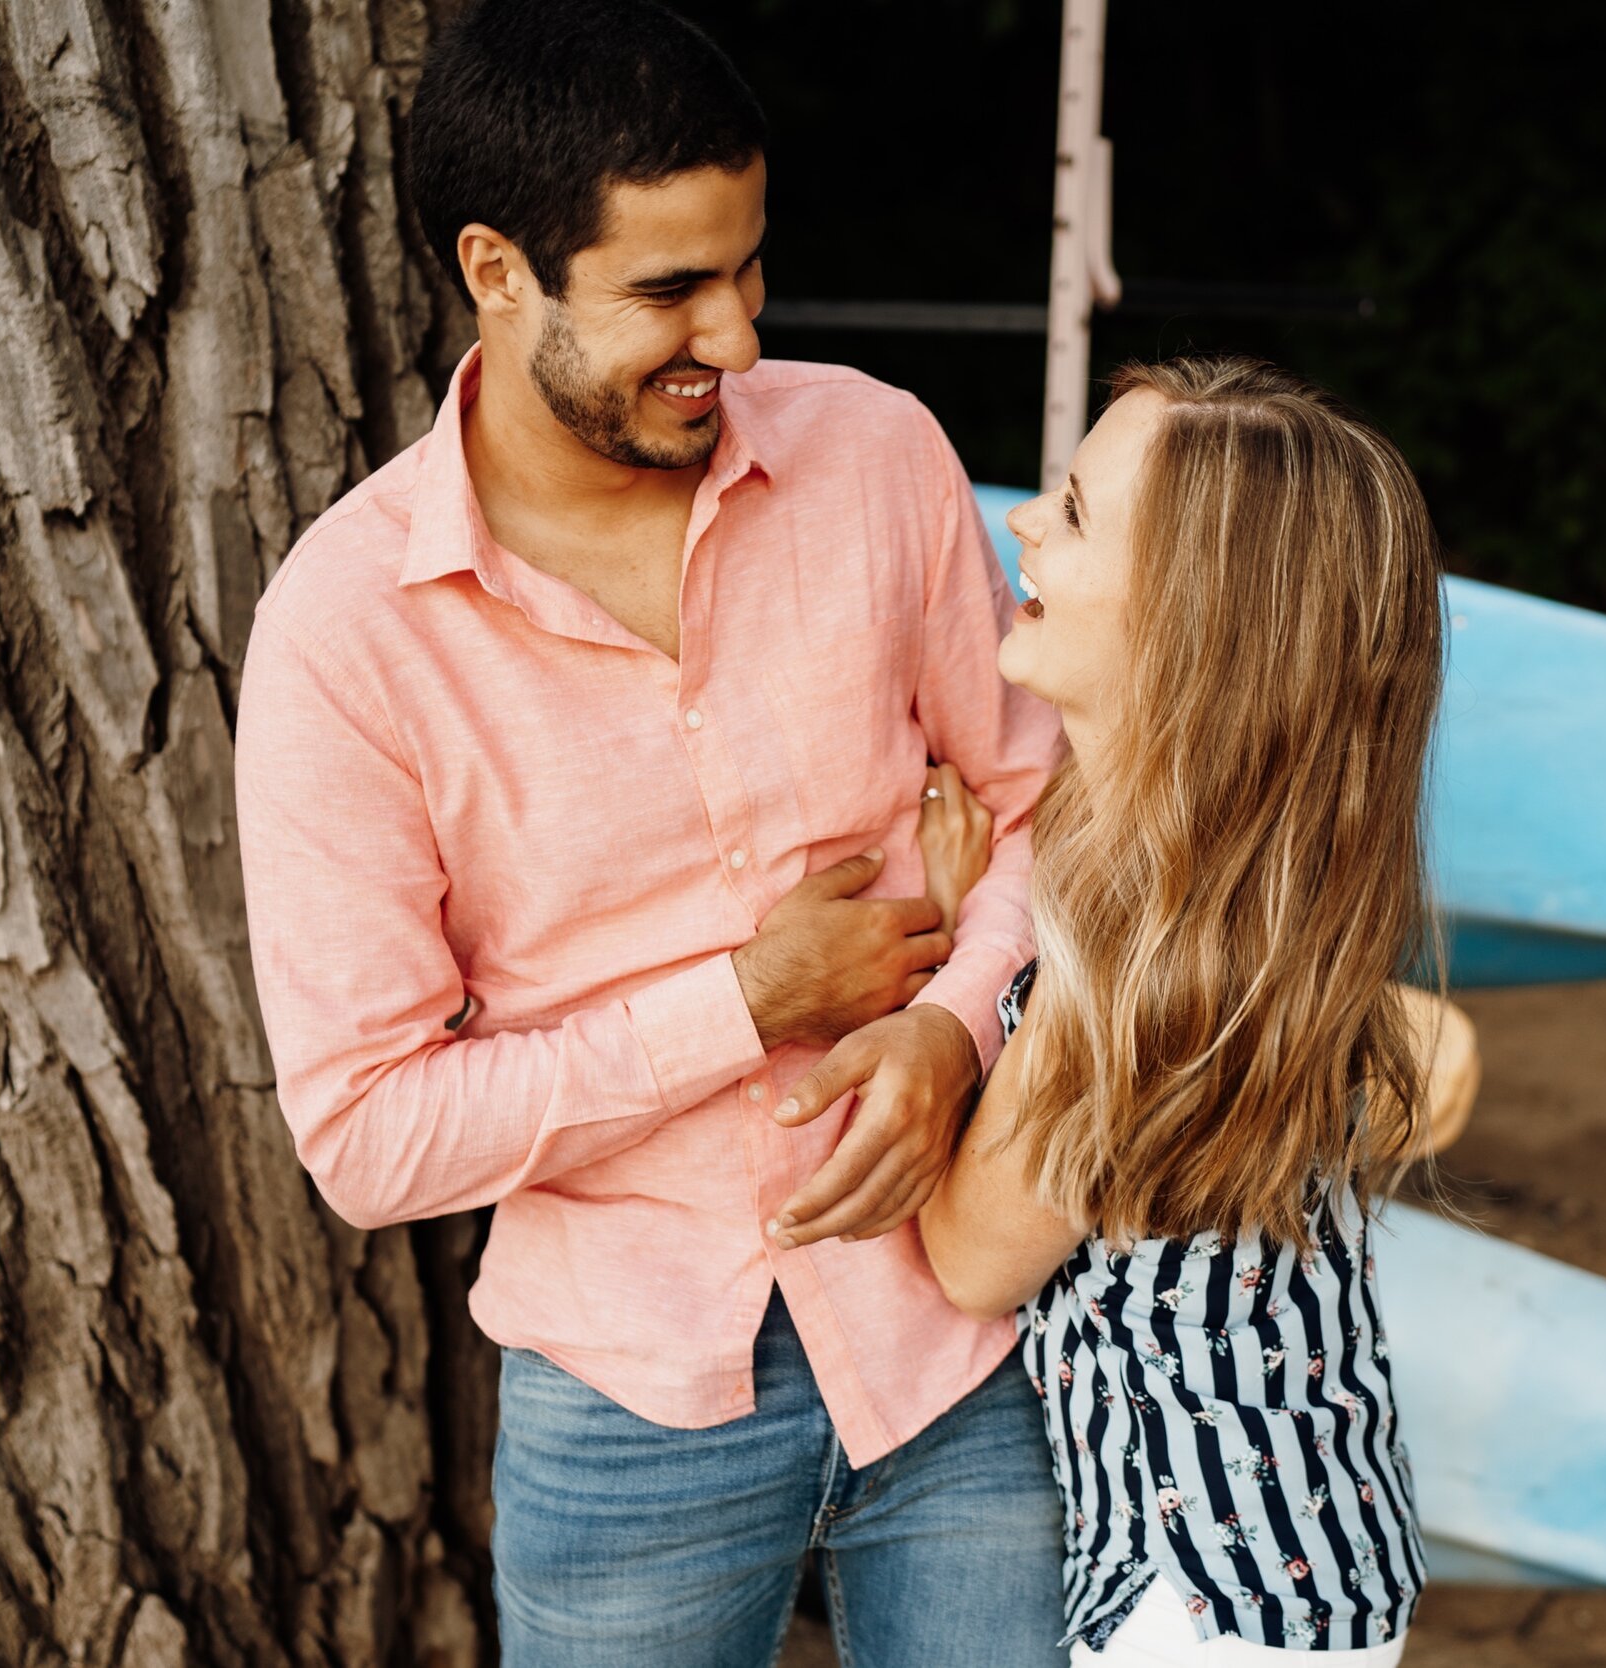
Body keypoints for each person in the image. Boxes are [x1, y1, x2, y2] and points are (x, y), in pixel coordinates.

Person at [230, 1, 1069, 1662]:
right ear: (495, 269)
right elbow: (368, 1133)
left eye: (748, 270)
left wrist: (950, 1030)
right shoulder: (346, 632)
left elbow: (1058, 819)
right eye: (670, 292)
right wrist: (743, 1006)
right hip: (629, 1406)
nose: (740, 338)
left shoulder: (879, 454)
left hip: (971, 1322)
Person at [878, 358, 1477, 1662]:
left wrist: (937, 973)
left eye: (1079, 513)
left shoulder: (1140, 956)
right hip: (1306, 1571)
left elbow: (976, 1259)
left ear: (1196, 622)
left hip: (1203, 1610)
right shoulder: (1259, 896)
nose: (1025, 520)